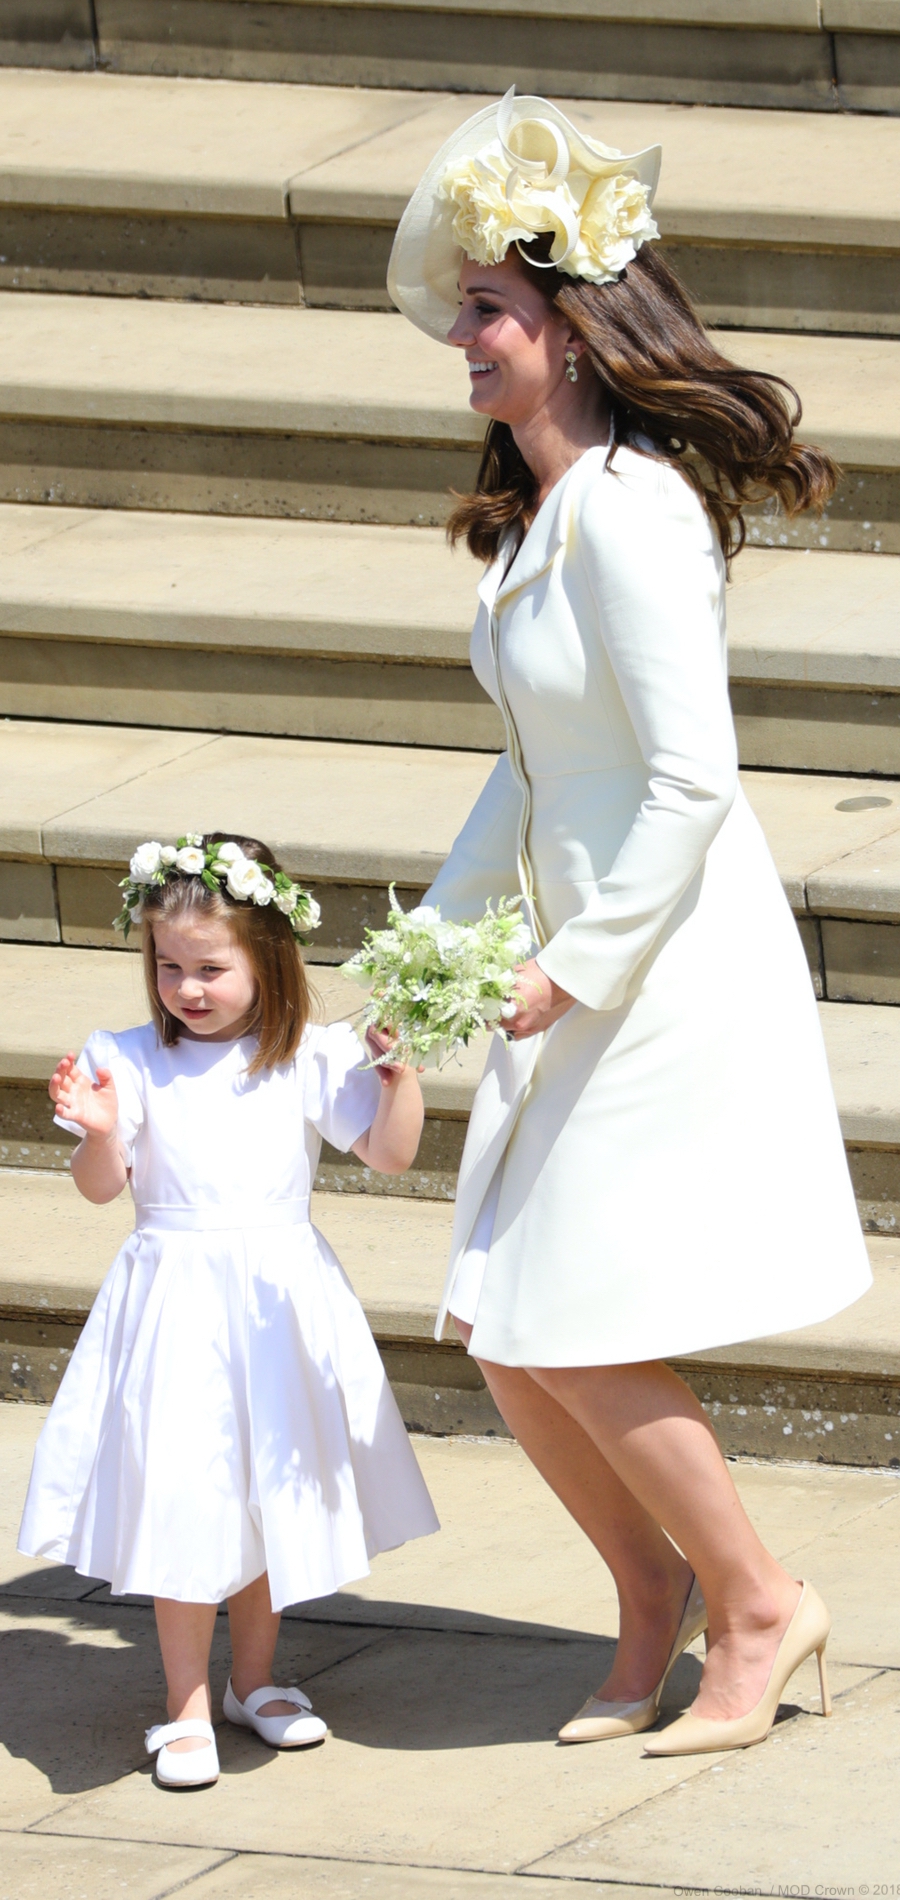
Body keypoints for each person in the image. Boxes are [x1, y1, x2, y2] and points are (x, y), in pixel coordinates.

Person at [386, 89, 872, 1756]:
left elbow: (685, 780)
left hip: (654, 963)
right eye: (466, 306)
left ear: (575, 335)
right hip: (561, 959)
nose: (463, 332)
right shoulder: (544, 522)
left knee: (571, 1322)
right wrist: (429, 954)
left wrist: (569, 969)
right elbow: (526, 775)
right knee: (508, 1338)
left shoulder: (642, 514)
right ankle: (653, 1604)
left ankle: (757, 1606)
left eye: (491, 310)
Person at [18, 832, 438, 1789]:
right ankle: (184, 1704)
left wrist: (399, 1074)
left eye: (211, 968)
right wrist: (91, 1133)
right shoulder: (124, 1060)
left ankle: (255, 1679)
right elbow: (101, 1187)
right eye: (169, 967)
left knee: (264, 1489)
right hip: (173, 1301)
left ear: (269, 962)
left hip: (277, 1303)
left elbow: (390, 1155)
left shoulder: (307, 1057)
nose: (186, 988)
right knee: (183, 1492)